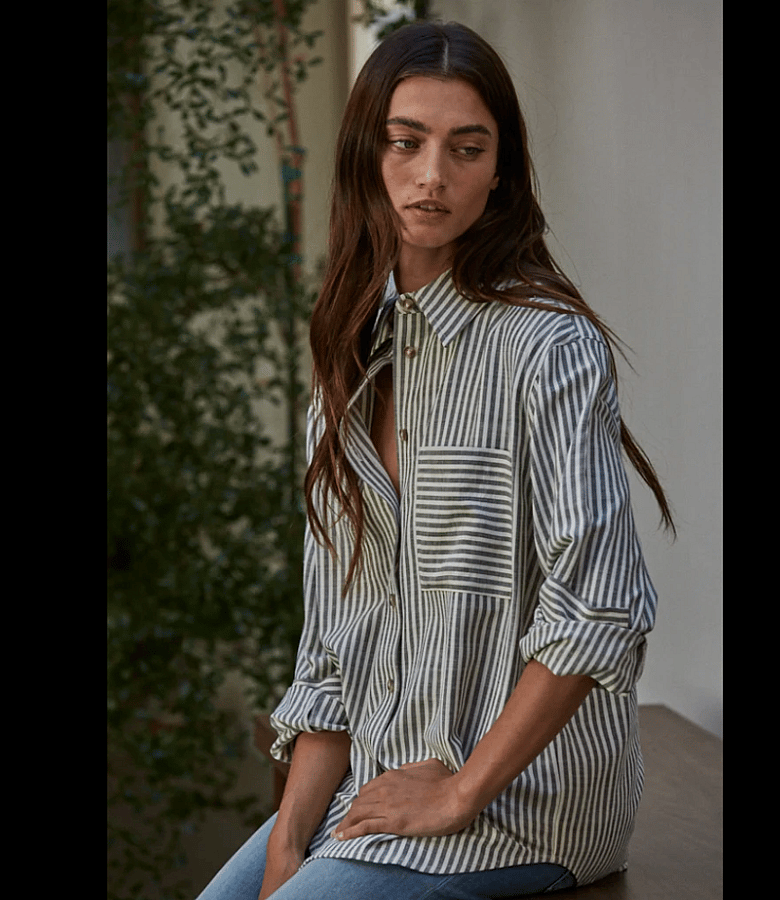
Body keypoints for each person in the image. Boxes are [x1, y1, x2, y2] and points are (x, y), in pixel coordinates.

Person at [198, 20, 673, 900]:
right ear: (365, 157)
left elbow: (599, 603)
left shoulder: (548, 347)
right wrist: (289, 841)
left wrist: (459, 792)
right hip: (378, 782)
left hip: (525, 803)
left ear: (500, 173)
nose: (432, 176)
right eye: (406, 142)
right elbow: (334, 645)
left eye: (467, 148)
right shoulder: (350, 362)